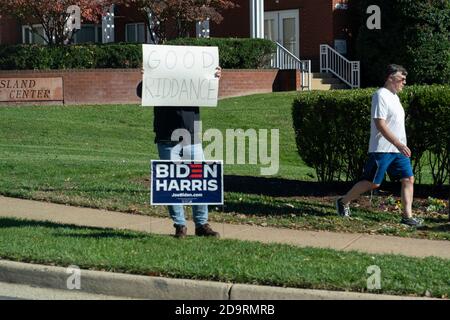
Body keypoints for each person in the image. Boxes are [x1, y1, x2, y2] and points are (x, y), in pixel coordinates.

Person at [137, 67, 222, 238]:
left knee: (199, 181)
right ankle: (180, 225)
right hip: (166, 138)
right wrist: (147, 77)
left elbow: (210, 94)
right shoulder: (158, 79)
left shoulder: (193, 79)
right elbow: (141, 92)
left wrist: (215, 78)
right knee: (172, 183)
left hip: (192, 138)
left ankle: (201, 224)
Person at [336, 64, 423, 227]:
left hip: (398, 150)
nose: (404, 82)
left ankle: (407, 217)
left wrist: (400, 145)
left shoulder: (395, 97)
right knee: (373, 183)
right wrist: (397, 143)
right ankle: (343, 201)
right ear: (391, 78)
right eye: (402, 79)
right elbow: (380, 124)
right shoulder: (380, 95)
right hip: (382, 149)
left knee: (408, 179)